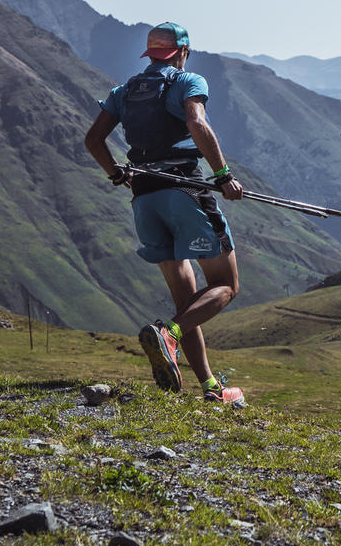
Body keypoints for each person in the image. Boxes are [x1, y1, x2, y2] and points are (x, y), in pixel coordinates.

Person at [84, 22, 247, 407]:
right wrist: (223, 175)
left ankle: (209, 387)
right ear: (182, 51)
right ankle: (168, 334)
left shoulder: (122, 92)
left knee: (187, 302)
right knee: (226, 285)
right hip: (184, 192)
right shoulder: (187, 81)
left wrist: (116, 174)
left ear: (149, 54)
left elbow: (93, 140)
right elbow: (196, 122)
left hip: (144, 198)